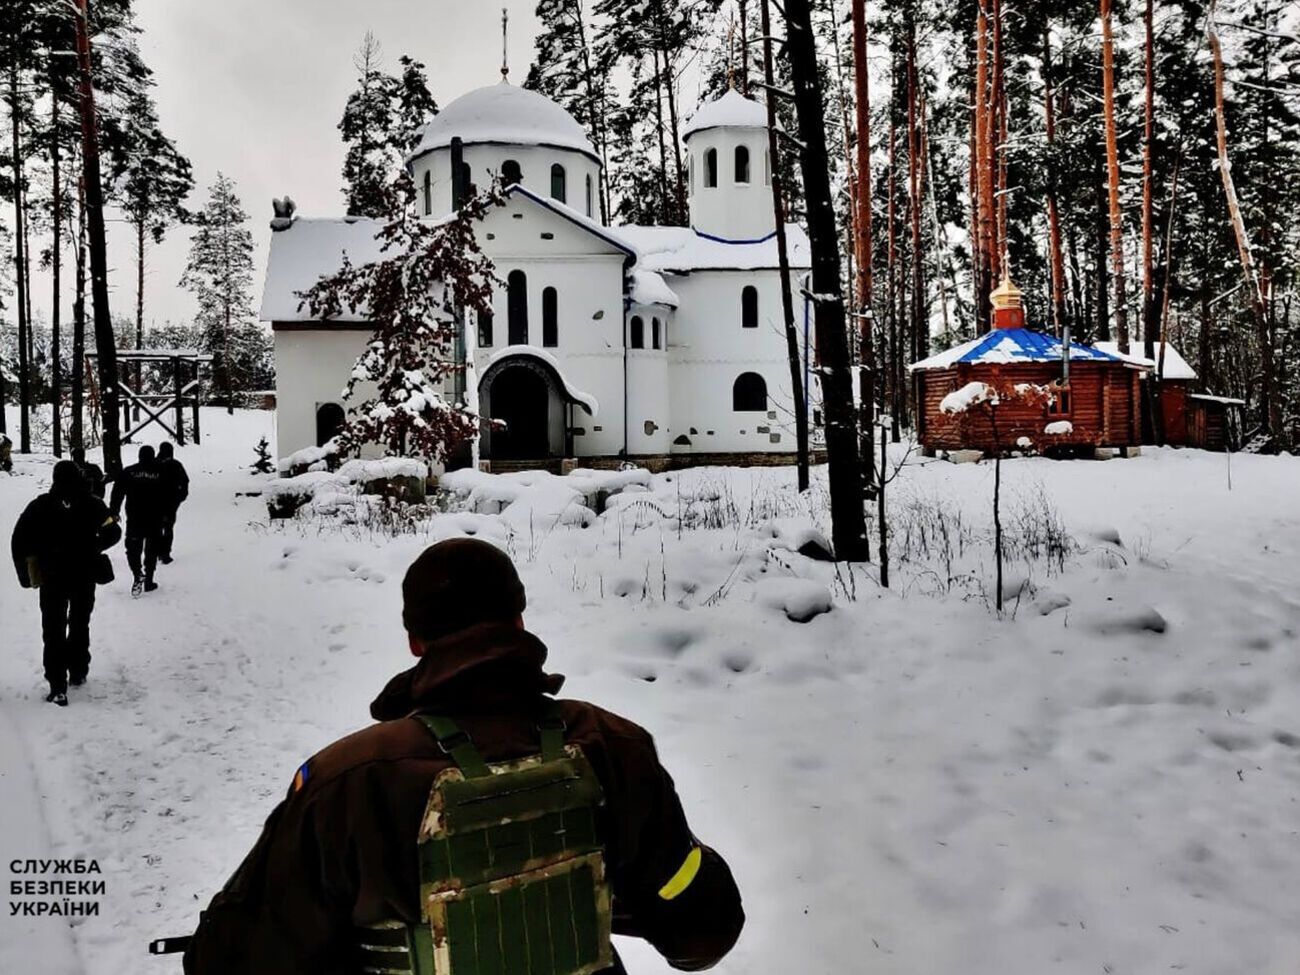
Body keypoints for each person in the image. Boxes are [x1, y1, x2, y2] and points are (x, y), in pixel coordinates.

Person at [183, 538, 744, 975]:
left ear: (414, 641)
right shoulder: (613, 745)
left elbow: (235, 961)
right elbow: (703, 932)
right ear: (520, 622)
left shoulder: (345, 781)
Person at [10, 460, 121, 705]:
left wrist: (25, 573)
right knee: (80, 623)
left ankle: (57, 684)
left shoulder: (40, 506)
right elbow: (114, 532)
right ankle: (78, 670)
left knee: (53, 629)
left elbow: (19, 540)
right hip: (84, 574)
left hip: (52, 577)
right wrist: (92, 547)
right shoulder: (93, 504)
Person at [109, 444, 168, 596]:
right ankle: (149, 580)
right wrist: (168, 513)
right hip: (155, 518)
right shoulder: (162, 472)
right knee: (152, 550)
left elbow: (117, 493)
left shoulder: (129, 472)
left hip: (135, 518)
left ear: (139, 456)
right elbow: (171, 494)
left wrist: (114, 511)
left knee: (132, 549)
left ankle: (137, 573)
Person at [155, 441, 189, 564]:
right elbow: (185, 482)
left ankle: (159, 551)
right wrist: (181, 497)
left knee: (158, 527)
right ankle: (165, 553)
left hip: (157, 501)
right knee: (168, 527)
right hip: (170, 501)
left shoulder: (154, 464)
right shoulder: (176, 465)